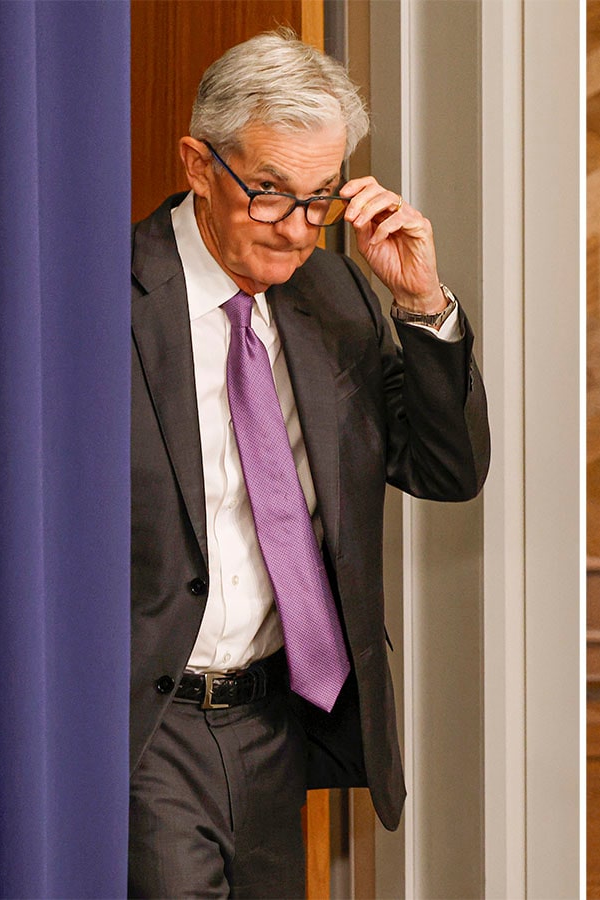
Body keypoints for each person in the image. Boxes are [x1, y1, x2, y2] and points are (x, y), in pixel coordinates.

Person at [129, 29, 488, 896]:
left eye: (320, 198)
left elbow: (446, 469)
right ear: (198, 163)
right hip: (145, 724)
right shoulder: (105, 296)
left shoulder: (333, 294)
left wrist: (422, 303)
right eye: (270, 195)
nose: (297, 231)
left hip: (273, 725)